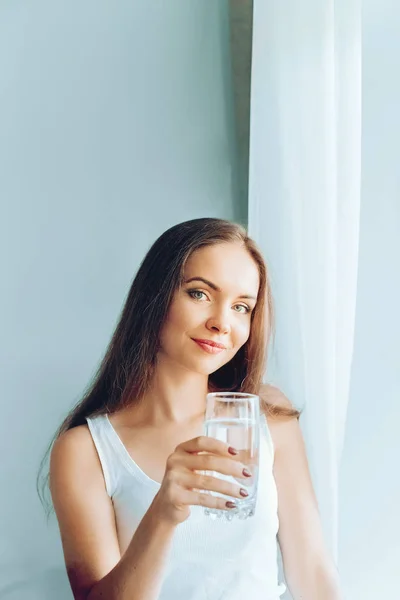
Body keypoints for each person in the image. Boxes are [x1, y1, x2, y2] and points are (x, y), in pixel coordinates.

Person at [39, 218, 342, 600]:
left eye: (241, 307)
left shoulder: (268, 415)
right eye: (199, 294)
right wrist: (164, 513)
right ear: (156, 296)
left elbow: (313, 571)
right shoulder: (86, 449)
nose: (221, 323)